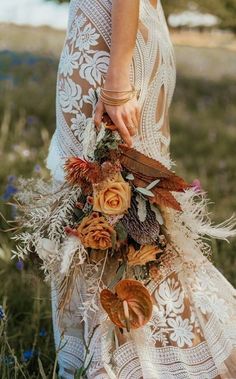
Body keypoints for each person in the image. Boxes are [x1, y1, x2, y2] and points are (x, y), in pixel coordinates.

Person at [46, 1, 236, 378]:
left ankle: (141, 363)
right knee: (124, 210)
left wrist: (117, 81)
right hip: (119, 34)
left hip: (108, 44)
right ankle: (118, 356)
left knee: (112, 205)